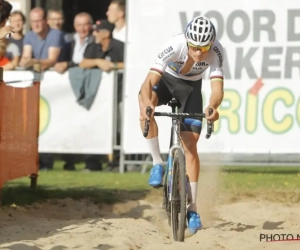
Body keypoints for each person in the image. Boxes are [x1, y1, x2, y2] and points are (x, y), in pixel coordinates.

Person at [138, 16, 224, 234]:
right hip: (167, 80)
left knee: (190, 147)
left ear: (211, 44)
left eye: (204, 48)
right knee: (145, 106)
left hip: (191, 89)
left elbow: (217, 90)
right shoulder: (175, 45)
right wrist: (148, 102)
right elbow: (149, 81)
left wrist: (213, 106)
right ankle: (157, 162)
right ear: (187, 41)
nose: (198, 53)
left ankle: (192, 208)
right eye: (194, 47)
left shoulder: (217, 51)